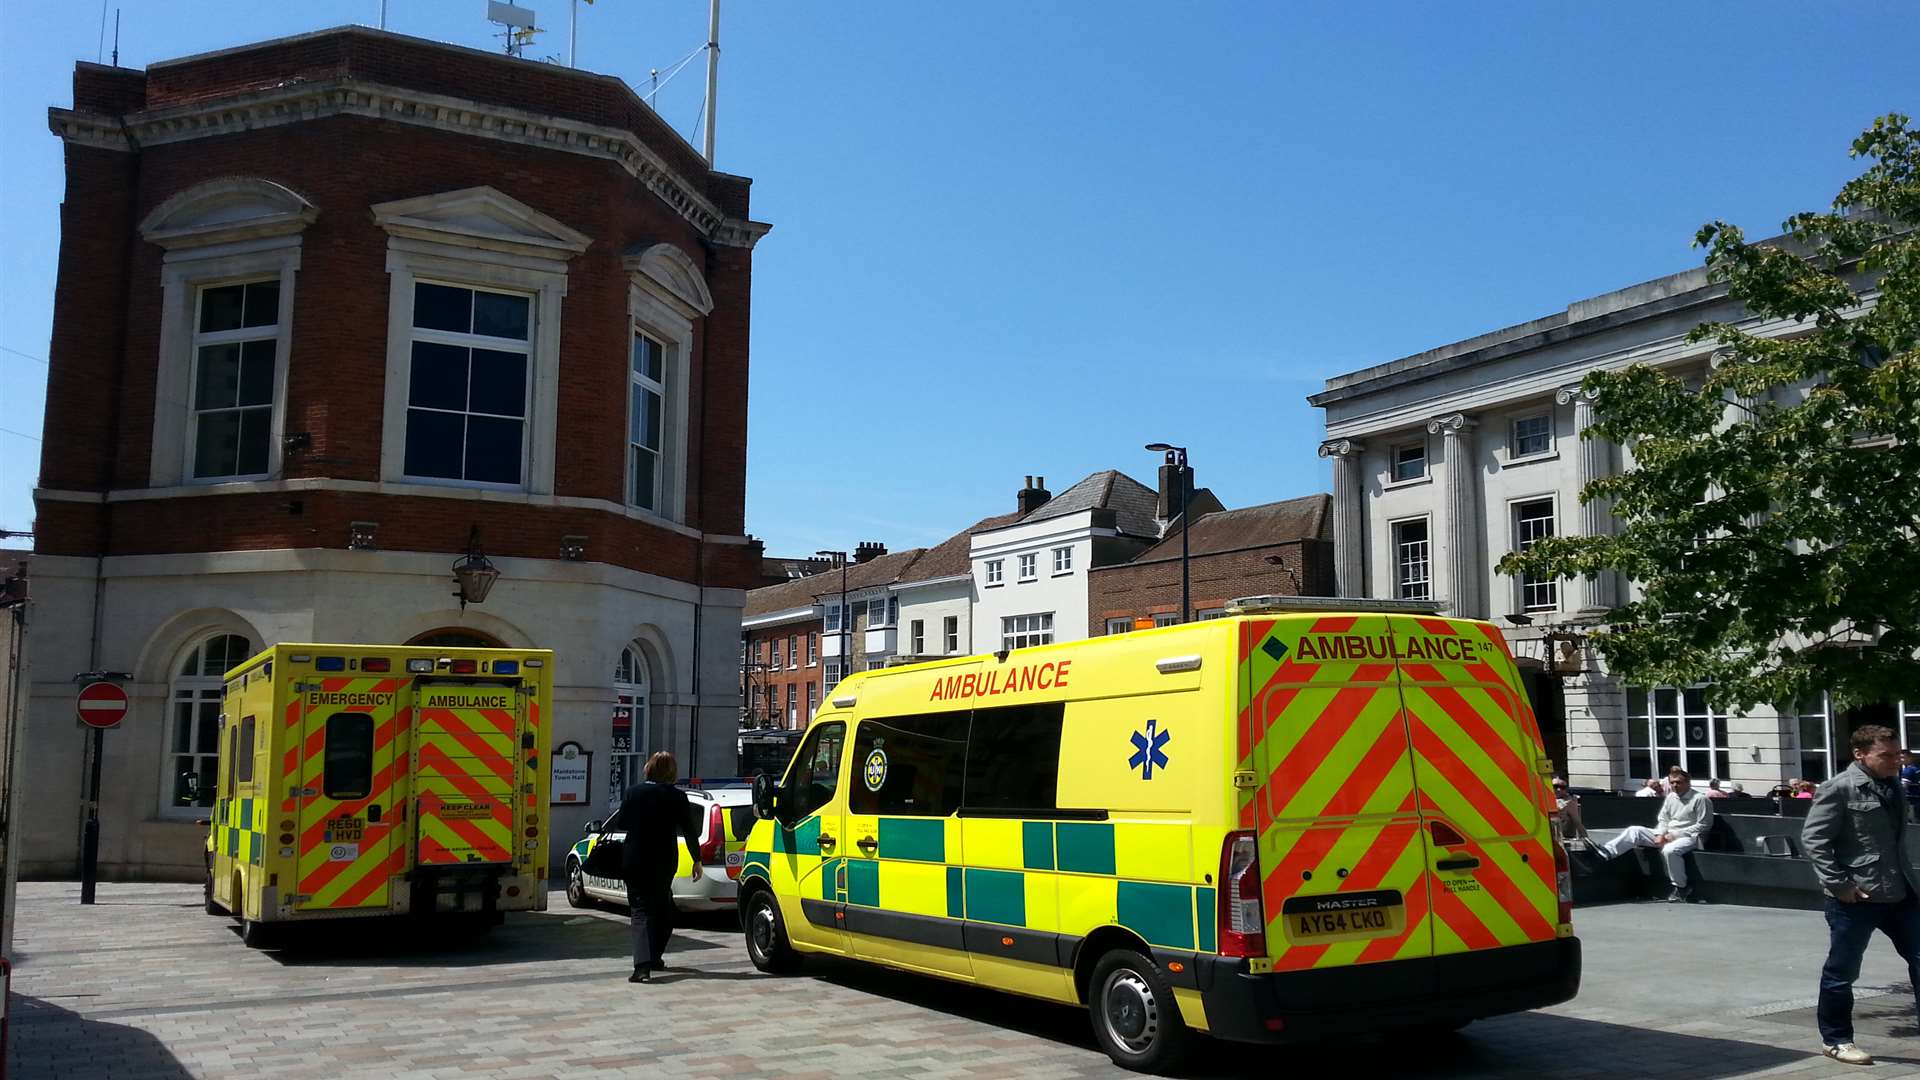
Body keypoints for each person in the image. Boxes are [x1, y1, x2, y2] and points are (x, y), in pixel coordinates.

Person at [1800, 725, 1920, 1066]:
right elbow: (1814, 841)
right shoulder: (1838, 789)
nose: (1895, 761)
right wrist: (1841, 885)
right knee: (1843, 971)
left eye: (1897, 754)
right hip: (1857, 897)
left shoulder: (1893, 785)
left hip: (1901, 893)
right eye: (1886, 755)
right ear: (1860, 754)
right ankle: (1836, 1040)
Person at [619, 751, 702, 984]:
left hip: (635, 857)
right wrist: (697, 859)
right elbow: (689, 830)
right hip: (664, 859)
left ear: (649, 768)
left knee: (640, 910)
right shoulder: (678, 797)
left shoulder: (633, 792)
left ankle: (642, 966)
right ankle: (653, 956)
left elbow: (622, 822)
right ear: (672, 772)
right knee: (663, 908)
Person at [1592, 768, 1713, 902]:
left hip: (1691, 837)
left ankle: (1681, 888)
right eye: (1672, 783)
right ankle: (1607, 852)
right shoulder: (1671, 797)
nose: (1675, 786)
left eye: (1678, 783)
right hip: (1667, 834)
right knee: (1634, 830)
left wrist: (1674, 835)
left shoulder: (1700, 799)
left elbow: (1704, 825)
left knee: (1670, 850)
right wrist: (1661, 834)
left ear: (1688, 783)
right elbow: (1663, 819)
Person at [1551, 777, 1590, 847]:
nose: (1558, 789)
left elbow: (1577, 823)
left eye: (1562, 787)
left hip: (1562, 840)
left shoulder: (1569, 802)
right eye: (1555, 786)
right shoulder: (1544, 798)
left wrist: (1587, 841)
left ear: (1566, 789)